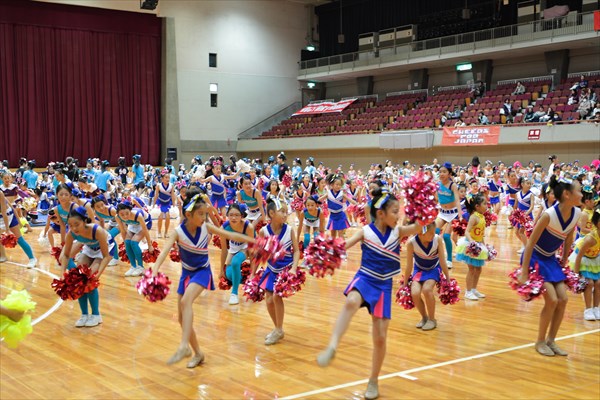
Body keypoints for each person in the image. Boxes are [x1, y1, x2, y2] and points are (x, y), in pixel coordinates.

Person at [316, 188, 422, 400]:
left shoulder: (397, 232)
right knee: (351, 301)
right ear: (381, 213)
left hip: (383, 286)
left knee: (380, 338)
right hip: (365, 277)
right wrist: (324, 251)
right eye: (394, 211)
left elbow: (418, 227)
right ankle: (333, 346)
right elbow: (343, 245)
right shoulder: (365, 231)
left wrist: (420, 203)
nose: (398, 216)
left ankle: (373, 380)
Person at [153, 190, 255, 367]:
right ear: (188, 214)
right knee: (180, 317)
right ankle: (198, 353)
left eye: (205, 213)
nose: (204, 217)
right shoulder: (177, 232)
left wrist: (256, 241)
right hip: (186, 273)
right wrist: (154, 269)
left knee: (186, 302)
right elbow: (164, 251)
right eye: (200, 214)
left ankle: (184, 346)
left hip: (202, 271)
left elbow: (232, 236)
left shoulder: (206, 227)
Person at [519, 175, 582, 356]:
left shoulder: (576, 213)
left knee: (563, 300)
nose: (581, 193)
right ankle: (540, 341)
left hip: (551, 259)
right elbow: (530, 244)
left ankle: (551, 341)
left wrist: (563, 258)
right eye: (578, 190)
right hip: (535, 258)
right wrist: (524, 272)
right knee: (552, 300)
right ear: (567, 195)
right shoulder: (549, 215)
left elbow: (569, 236)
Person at [60, 207, 114, 327]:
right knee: (79, 278)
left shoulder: (97, 230)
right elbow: (66, 255)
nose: (74, 228)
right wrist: (62, 273)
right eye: (70, 225)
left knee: (89, 277)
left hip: (105, 250)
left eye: (77, 224)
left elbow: (106, 256)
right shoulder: (71, 234)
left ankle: (96, 315)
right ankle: (84, 314)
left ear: (85, 221)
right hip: (89, 249)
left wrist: (98, 274)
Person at [404, 222, 451, 331]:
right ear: (421, 233)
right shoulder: (411, 243)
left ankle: (432, 319)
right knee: (415, 293)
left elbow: (443, 261)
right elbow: (409, 265)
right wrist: (405, 283)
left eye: (434, 232)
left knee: (427, 289)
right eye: (430, 233)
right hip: (419, 269)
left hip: (434, 268)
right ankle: (424, 317)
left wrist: (447, 278)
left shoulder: (437, 240)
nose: (433, 235)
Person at [569, 205, 600, 320]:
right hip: (582, 259)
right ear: (596, 223)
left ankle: (596, 308)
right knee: (589, 283)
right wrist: (575, 274)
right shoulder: (590, 238)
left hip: (595, 258)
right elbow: (579, 255)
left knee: (598, 283)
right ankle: (588, 310)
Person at [456, 194, 490, 300]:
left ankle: (474, 289)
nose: (487, 205)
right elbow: (467, 232)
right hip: (471, 245)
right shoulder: (473, 217)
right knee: (471, 269)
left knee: (478, 269)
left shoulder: (482, 216)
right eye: (484, 203)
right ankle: (468, 291)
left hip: (479, 245)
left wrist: (484, 246)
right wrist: (472, 243)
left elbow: (481, 234)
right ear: (477, 206)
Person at [219, 204, 255, 305]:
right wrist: (221, 269)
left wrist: (253, 272)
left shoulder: (249, 227)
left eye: (237, 215)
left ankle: (234, 294)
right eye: (231, 215)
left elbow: (252, 250)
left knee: (235, 262)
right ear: (227, 215)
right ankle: (245, 281)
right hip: (233, 249)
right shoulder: (224, 228)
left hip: (246, 249)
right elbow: (224, 250)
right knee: (229, 275)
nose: (233, 217)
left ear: (242, 216)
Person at [0, 192, 38, 267]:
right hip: (1, 218)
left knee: (19, 238)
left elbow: (6, 212)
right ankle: (3, 256)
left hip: (8, 216)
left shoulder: (0, 193)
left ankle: (32, 258)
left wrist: (8, 229)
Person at [116, 201, 153, 277]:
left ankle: (140, 267)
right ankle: (133, 266)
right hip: (132, 224)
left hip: (145, 223)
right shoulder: (117, 217)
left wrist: (150, 245)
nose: (125, 216)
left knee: (134, 242)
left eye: (127, 213)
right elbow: (123, 231)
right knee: (127, 242)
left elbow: (145, 230)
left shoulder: (137, 215)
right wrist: (125, 244)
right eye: (122, 214)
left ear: (130, 210)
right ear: (118, 214)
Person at [436, 162, 462, 268]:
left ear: (449, 173)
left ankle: (449, 260)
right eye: (440, 172)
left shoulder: (453, 185)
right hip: (442, 213)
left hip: (453, 213)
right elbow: (434, 198)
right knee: (435, 232)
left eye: (444, 172)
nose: (442, 174)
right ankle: (436, 256)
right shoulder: (437, 184)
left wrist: (460, 215)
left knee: (446, 236)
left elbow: (457, 200)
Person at [153, 171, 177, 238]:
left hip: (167, 203)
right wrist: (153, 205)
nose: (167, 179)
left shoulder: (171, 185)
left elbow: (173, 195)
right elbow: (156, 195)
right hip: (160, 202)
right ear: (162, 178)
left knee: (167, 216)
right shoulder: (158, 185)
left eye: (168, 178)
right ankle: (159, 232)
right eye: (166, 177)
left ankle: (166, 232)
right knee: (160, 217)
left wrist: (174, 205)